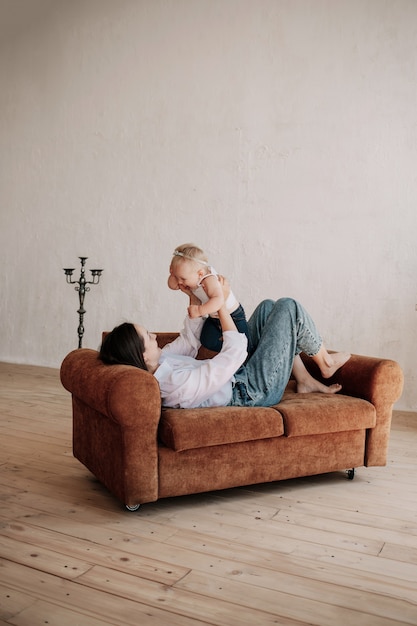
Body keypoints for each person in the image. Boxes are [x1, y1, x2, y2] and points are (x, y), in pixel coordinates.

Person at [99, 278, 351, 409]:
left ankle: (304, 380)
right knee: (287, 307)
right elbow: (232, 356)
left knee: (267, 309)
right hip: (252, 391)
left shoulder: (160, 362)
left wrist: (194, 297)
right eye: (149, 337)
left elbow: (189, 341)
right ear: (142, 356)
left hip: (240, 376)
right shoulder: (172, 385)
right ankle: (325, 362)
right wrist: (220, 306)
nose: (155, 336)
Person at [168, 243, 250, 352]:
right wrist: (174, 273)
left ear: (200, 274)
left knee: (245, 347)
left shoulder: (209, 279)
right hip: (214, 318)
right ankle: (230, 351)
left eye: (183, 279)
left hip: (233, 316)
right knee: (206, 340)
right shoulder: (191, 276)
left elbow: (218, 300)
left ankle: (246, 348)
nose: (179, 282)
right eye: (176, 277)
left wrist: (199, 310)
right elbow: (172, 286)